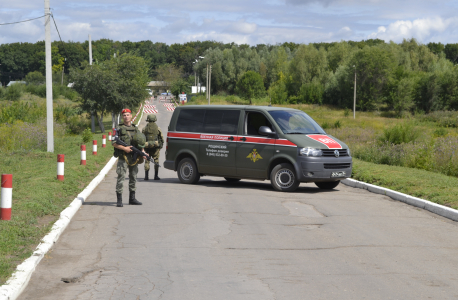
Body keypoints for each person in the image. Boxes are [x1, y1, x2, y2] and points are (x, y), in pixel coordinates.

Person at [112, 108, 146, 207]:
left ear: (131, 116)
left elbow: (140, 143)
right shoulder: (117, 128)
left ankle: (132, 198)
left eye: (128, 115)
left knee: (133, 177)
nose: (126, 117)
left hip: (133, 157)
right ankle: (119, 200)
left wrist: (143, 152)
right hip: (123, 157)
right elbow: (114, 143)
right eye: (124, 115)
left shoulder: (135, 129)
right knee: (121, 178)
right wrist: (124, 148)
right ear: (122, 117)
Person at [142, 114, 164, 180]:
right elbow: (161, 138)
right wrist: (160, 147)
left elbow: (142, 138)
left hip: (147, 147)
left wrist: (143, 147)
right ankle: (156, 176)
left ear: (148, 119)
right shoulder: (158, 128)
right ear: (155, 119)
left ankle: (146, 176)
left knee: (147, 161)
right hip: (155, 148)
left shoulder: (144, 128)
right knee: (156, 161)